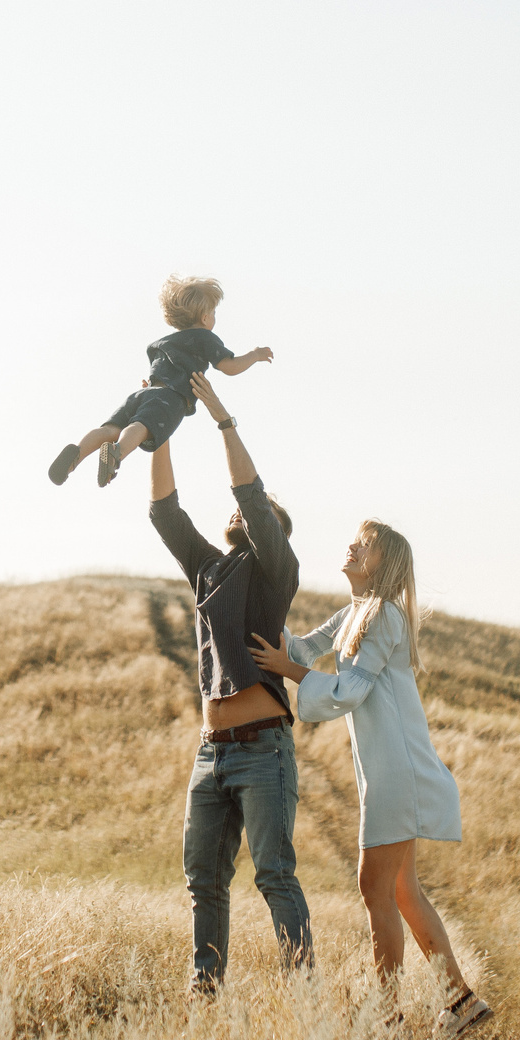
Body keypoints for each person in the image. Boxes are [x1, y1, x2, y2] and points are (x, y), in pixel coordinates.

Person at [250, 521, 493, 1038]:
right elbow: (299, 647)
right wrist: (259, 610)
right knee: (402, 890)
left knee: (374, 887)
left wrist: (288, 672)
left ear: (384, 563)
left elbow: (351, 688)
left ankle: (387, 1016)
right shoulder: (354, 613)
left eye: (367, 544)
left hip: (397, 773)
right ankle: (461, 1003)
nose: (353, 545)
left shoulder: (383, 615)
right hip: (389, 772)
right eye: (356, 538)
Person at [147, 370, 308, 992]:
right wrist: (159, 432)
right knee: (204, 881)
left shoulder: (276, 568)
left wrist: (220, 416)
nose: (239, 510)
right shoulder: (208, 568)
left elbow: (250, 488)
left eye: (256, 512)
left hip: (264, 749)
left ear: (270, 525)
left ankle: (303, 994)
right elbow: (165, 512)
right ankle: (205, 992)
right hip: (211, 754)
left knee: (274, 876)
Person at [49, 275, 273, 489]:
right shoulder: (205, 338)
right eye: (213, 312)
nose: (214, 317)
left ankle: (76, 453)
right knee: (140, 427)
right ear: (204, 317)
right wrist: (254, 355)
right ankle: (117, 452)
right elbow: (229, 366)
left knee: (109, 428)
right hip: (170, 397)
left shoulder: (163, 343)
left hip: (142, 393)